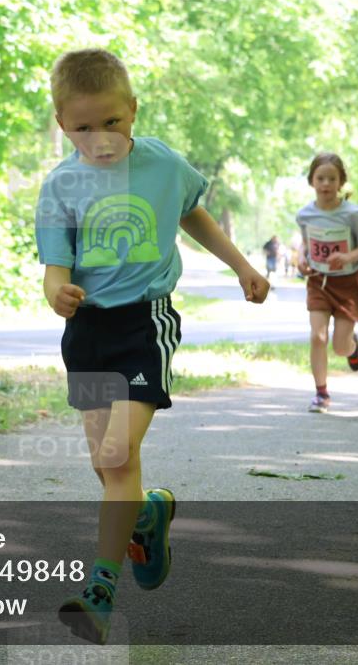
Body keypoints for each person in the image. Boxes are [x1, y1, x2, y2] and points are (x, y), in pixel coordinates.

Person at [35, 49, 269, 645]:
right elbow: (54, 267)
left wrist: (242, 266)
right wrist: (58, 293)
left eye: (112, 123)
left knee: (115, 454)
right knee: (108, 465)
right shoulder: (61, 185)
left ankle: (99, 593)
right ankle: (148, 516)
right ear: (62, 123)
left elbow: (194, 213)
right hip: (87, 334)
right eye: (84, 127)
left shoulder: (163, 163)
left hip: (144, 326)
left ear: (132, 111)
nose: (101, 139)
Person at [296, 152, 358, 413]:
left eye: (332, 179)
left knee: (340, 347)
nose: (326, 184)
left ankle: (352, 347)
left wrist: (347, 256)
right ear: (312, 181)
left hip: (348, 283)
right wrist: (300, 257)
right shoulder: (305, 214)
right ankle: (321, 393)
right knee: (318, 336)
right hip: (318, 280)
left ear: (341, 182)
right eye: (320, 178)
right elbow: (306, 242)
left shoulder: (353, 213)